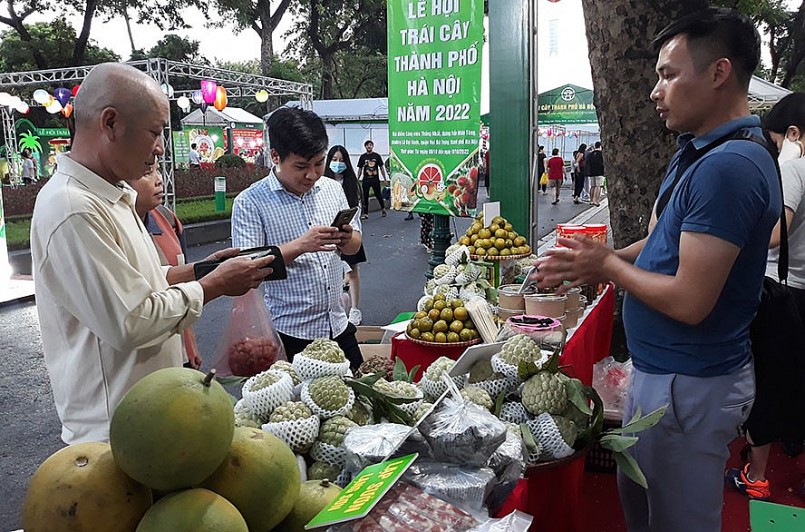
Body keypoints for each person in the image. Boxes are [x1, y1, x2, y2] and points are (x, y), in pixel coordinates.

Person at [532, 9, 780, 531]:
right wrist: (599, 263)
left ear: (719, 73)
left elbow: (691, 301)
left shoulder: (728, 168)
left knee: (679, 520)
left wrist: (608, 266)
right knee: (645, 511)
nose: (654, 90)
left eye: (668, 74)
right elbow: (669, 242)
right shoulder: (698, 151)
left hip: (690, 382)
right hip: (664, 375)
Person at [30, 63, 274, 444]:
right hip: (115, 434)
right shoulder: (72, 207)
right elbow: (131, 321)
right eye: (155, 132)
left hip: (150, 415)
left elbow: (141, 284)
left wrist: (200, 270)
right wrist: (211, 286)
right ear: (110, 123)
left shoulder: (112, 197)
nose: (160, 147)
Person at [231, 107, 364, 369]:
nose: (312, 175)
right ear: (275, 156)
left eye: (319, 163)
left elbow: (355, 246)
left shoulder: (332, 189)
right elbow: (248, 271)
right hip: (291, 335)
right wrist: (302, 245)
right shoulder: (250, 202)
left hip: (338, 325)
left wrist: (347, 239)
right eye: (301, 167)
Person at [725, 92, 805, 501]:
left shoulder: (794, 169)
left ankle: (755, 475)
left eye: (775, 141)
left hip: (784, 293)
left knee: (769, 384)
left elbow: (776, 234)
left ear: (793, 134)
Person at [131, 163, 202, 370]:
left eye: (158, 170)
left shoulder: (167, 219)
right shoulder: (111, 228)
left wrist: (190, 344)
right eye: (147, 173)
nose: (159, 179)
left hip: (177, 345)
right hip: (144, 356)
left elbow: (185, 286)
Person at [324, 145, 367, 326]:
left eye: (341, 160)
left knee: (352, 271)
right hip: (327, 235)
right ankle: (335, 308)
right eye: (334, 160)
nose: (338, 163)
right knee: (334, 273)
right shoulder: (322, 183)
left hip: (348, 233)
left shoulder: (351, 184)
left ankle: (355, 309)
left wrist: (351, 232)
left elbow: (355, 214)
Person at [357, 140, 387, 219]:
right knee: (365, 196)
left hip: (375, 179)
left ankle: (383, 208)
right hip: (366, 180)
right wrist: (357, 178)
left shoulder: (377, 156)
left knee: (378, 195)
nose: (369, 146)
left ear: (372, 146)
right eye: (367, 145)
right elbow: (360, 168)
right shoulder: (363, 157)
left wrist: (384, 178)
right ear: (365, 147)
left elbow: (381, 168)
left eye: (370, 145)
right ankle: (366, 213)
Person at [586, 142, 605, 206]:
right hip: (599, 172)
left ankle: (591, 200)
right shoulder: (601, 154)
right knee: (598, 186)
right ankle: (596, 200)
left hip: (592, 172)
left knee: (592, 186)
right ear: (600, 146)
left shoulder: (591, 154)